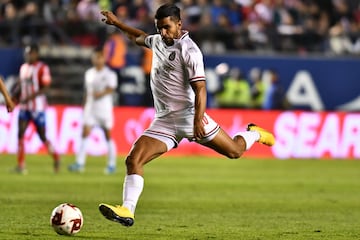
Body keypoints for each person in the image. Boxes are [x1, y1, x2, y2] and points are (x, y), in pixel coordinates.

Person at [98, 4, 275, 227]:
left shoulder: (189, 51)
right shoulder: (159, 41)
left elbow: (200, 89)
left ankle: (255, 134)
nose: (163, 33)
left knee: (234, 151)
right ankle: (127, 210)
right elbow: (140, 36)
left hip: (189, 116)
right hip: (164, 120)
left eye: (167, 27)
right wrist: (117, 24)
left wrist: (197, 120)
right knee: (133, 159)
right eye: (159, 28)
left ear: (179, 24)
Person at [68, 47, 118, 174]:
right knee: (84, 133)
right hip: (90, 109)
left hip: (104, 109)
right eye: (94, 57)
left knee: (108, 136)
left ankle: (111, 164)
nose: (96, 60)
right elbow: (87, 92)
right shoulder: (89, 73)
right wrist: (84, 105)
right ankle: (80, 163)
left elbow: (111, 89)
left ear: (103, 58)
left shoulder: (109, 74)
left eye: (99, 57)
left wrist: (100, 94)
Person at [16, 43, 60, 174]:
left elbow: (45, 87)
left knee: (42, 136)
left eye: (30, 53)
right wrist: (14, 97)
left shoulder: (42, 68)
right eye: (27, 53)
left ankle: (56, 157)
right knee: (20, 134)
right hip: (24, 107)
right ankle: (21, 164)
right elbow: (21, 86)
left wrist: (29, 98)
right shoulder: (23, 68)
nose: (28, 55)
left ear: (36, 54)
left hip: (38, 107)